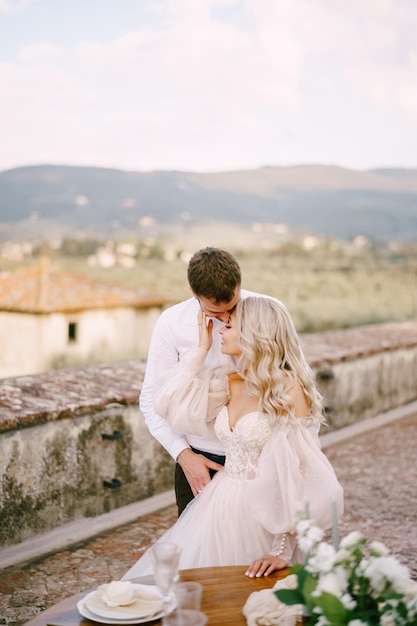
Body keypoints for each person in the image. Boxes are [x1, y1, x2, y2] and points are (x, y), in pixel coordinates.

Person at [123, 297, 343, 580]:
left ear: (254, 334)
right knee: (200, 591)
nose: (220, 332)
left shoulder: (289, 388)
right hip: (218, 505)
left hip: (263, 516)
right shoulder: (229, 382)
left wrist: (282, 549)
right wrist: (199, 351)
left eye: (228, 326)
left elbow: (297, 473)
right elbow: (168, 405)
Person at [140, 247, 270, 515]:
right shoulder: (171, 323)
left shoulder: (269, 311)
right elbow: (151, 399)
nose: (225, 319)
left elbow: (292, 384)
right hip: (198, 460)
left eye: (232, 308)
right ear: (193, 292)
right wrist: (184, 456)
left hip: (261, 460)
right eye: (215, 312)